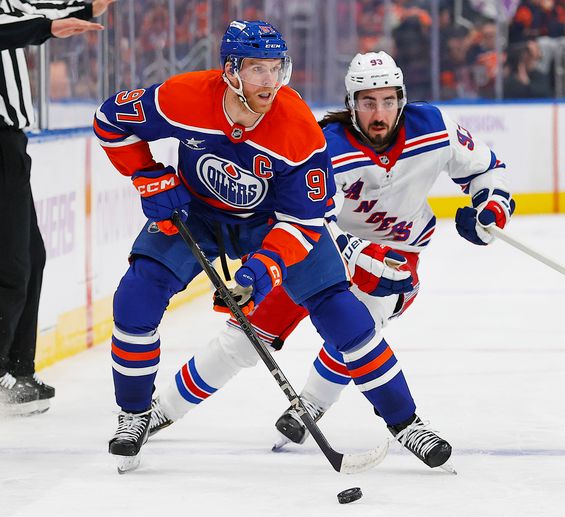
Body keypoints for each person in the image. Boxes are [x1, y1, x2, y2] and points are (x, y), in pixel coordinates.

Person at [94, 21, 456, 473]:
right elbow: (110, 120)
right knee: (137, 294)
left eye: (276, 68)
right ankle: (134, 415)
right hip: (199, 215)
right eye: (257, 69)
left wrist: (262, 269)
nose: (271, 81)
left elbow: (303, 223)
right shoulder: (181, 97)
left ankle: (407, 424)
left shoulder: (298, 128)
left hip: (273, 224)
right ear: (230, 71)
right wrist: (146, 174)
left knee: (344, 315)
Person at [146, 51, 514, 468]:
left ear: (402, 99)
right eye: (368, 102)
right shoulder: (324, 145)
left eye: (389, 101)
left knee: (364, 323)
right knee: (246, 336)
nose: (380, 113)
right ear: (351, 103)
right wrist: (355, 251)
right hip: (319, 250)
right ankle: (164, 408)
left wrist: (491, 206)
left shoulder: (435, 129)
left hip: (398, 254)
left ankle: (313, 406)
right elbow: (307, 217)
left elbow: (488, 168)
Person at [0, 0, 110, 415]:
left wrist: (84, 7)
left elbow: (34, 8)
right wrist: (48, 27)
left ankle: (17, 370)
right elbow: (15, 24)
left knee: (29, 256)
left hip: (10, 143)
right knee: (10, 266)